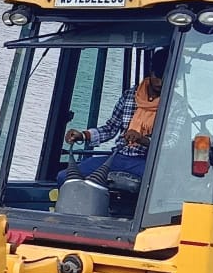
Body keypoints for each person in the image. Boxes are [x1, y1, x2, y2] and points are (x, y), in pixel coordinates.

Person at [63, 46, 168, 181]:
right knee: (65, 177)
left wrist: (142, 139)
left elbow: (169, 144)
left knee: (159, 183)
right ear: (151, 72)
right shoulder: (130, 95)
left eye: (165, 77)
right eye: (158, 76)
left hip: (148, 162)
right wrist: (83, 135)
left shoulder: (175, 104)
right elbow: (111, 128)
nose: (160, 82)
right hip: (118, 156)